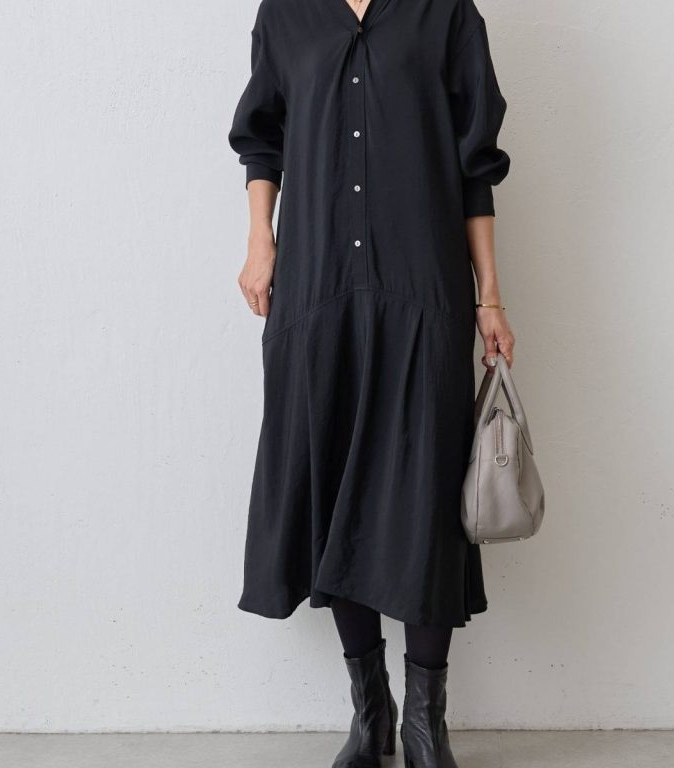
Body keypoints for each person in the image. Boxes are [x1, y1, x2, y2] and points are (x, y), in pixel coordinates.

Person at [228, 0, 514, 765]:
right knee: (331, 487)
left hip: (422, 289)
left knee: (425, 496)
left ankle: (425, 720)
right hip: (317, 289)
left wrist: (490, 296)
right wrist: (260, 242)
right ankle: (370, 711)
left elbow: (475, 164)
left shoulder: (446, 14)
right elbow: (263, 138)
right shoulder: (286, 14)